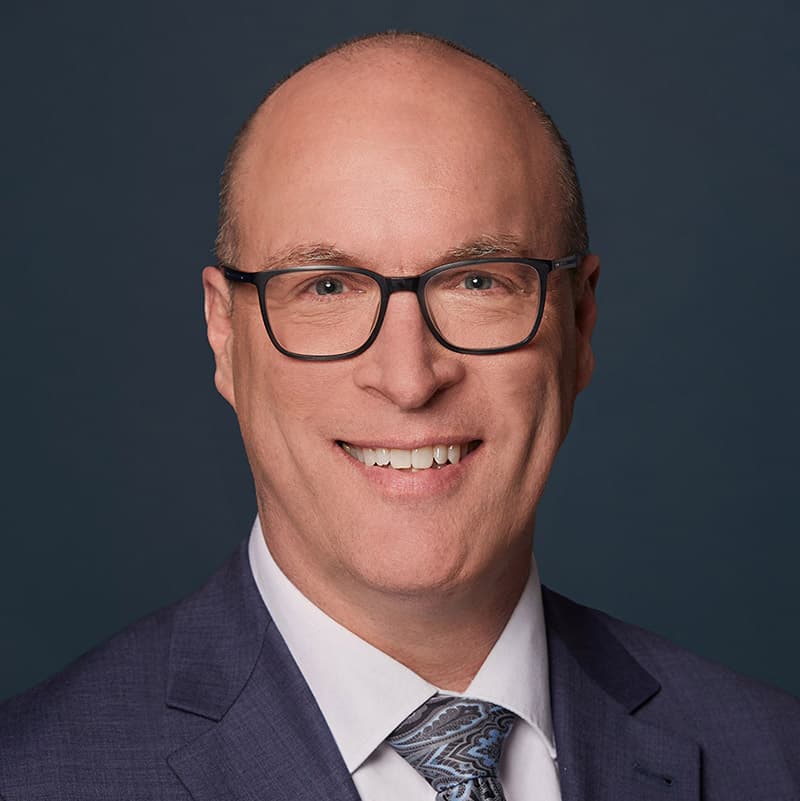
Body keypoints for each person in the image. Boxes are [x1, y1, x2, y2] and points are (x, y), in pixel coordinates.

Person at [1, 30, 797, 801]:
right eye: (327, 287)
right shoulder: (33, 777)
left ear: (579, 322)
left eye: (479, 281)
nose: (409, 378)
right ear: (225, 333)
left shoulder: (774, 760)